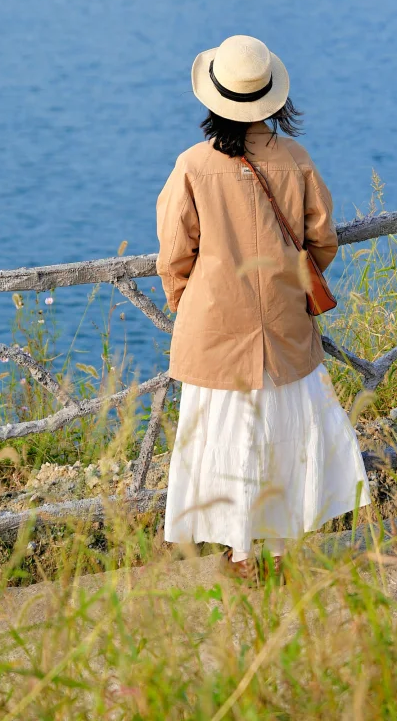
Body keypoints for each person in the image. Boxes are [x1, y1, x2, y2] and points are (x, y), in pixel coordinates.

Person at [158, 33, 370, 581]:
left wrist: (191, 304)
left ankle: (241, 553)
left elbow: (175, 253)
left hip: (215, 327)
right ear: (273, 98)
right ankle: (275, 551)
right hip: (282, 324)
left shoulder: (191, 165)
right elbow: (321, 240)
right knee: (281, 431)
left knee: (224, 438)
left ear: (213, 99)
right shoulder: (296, 160)